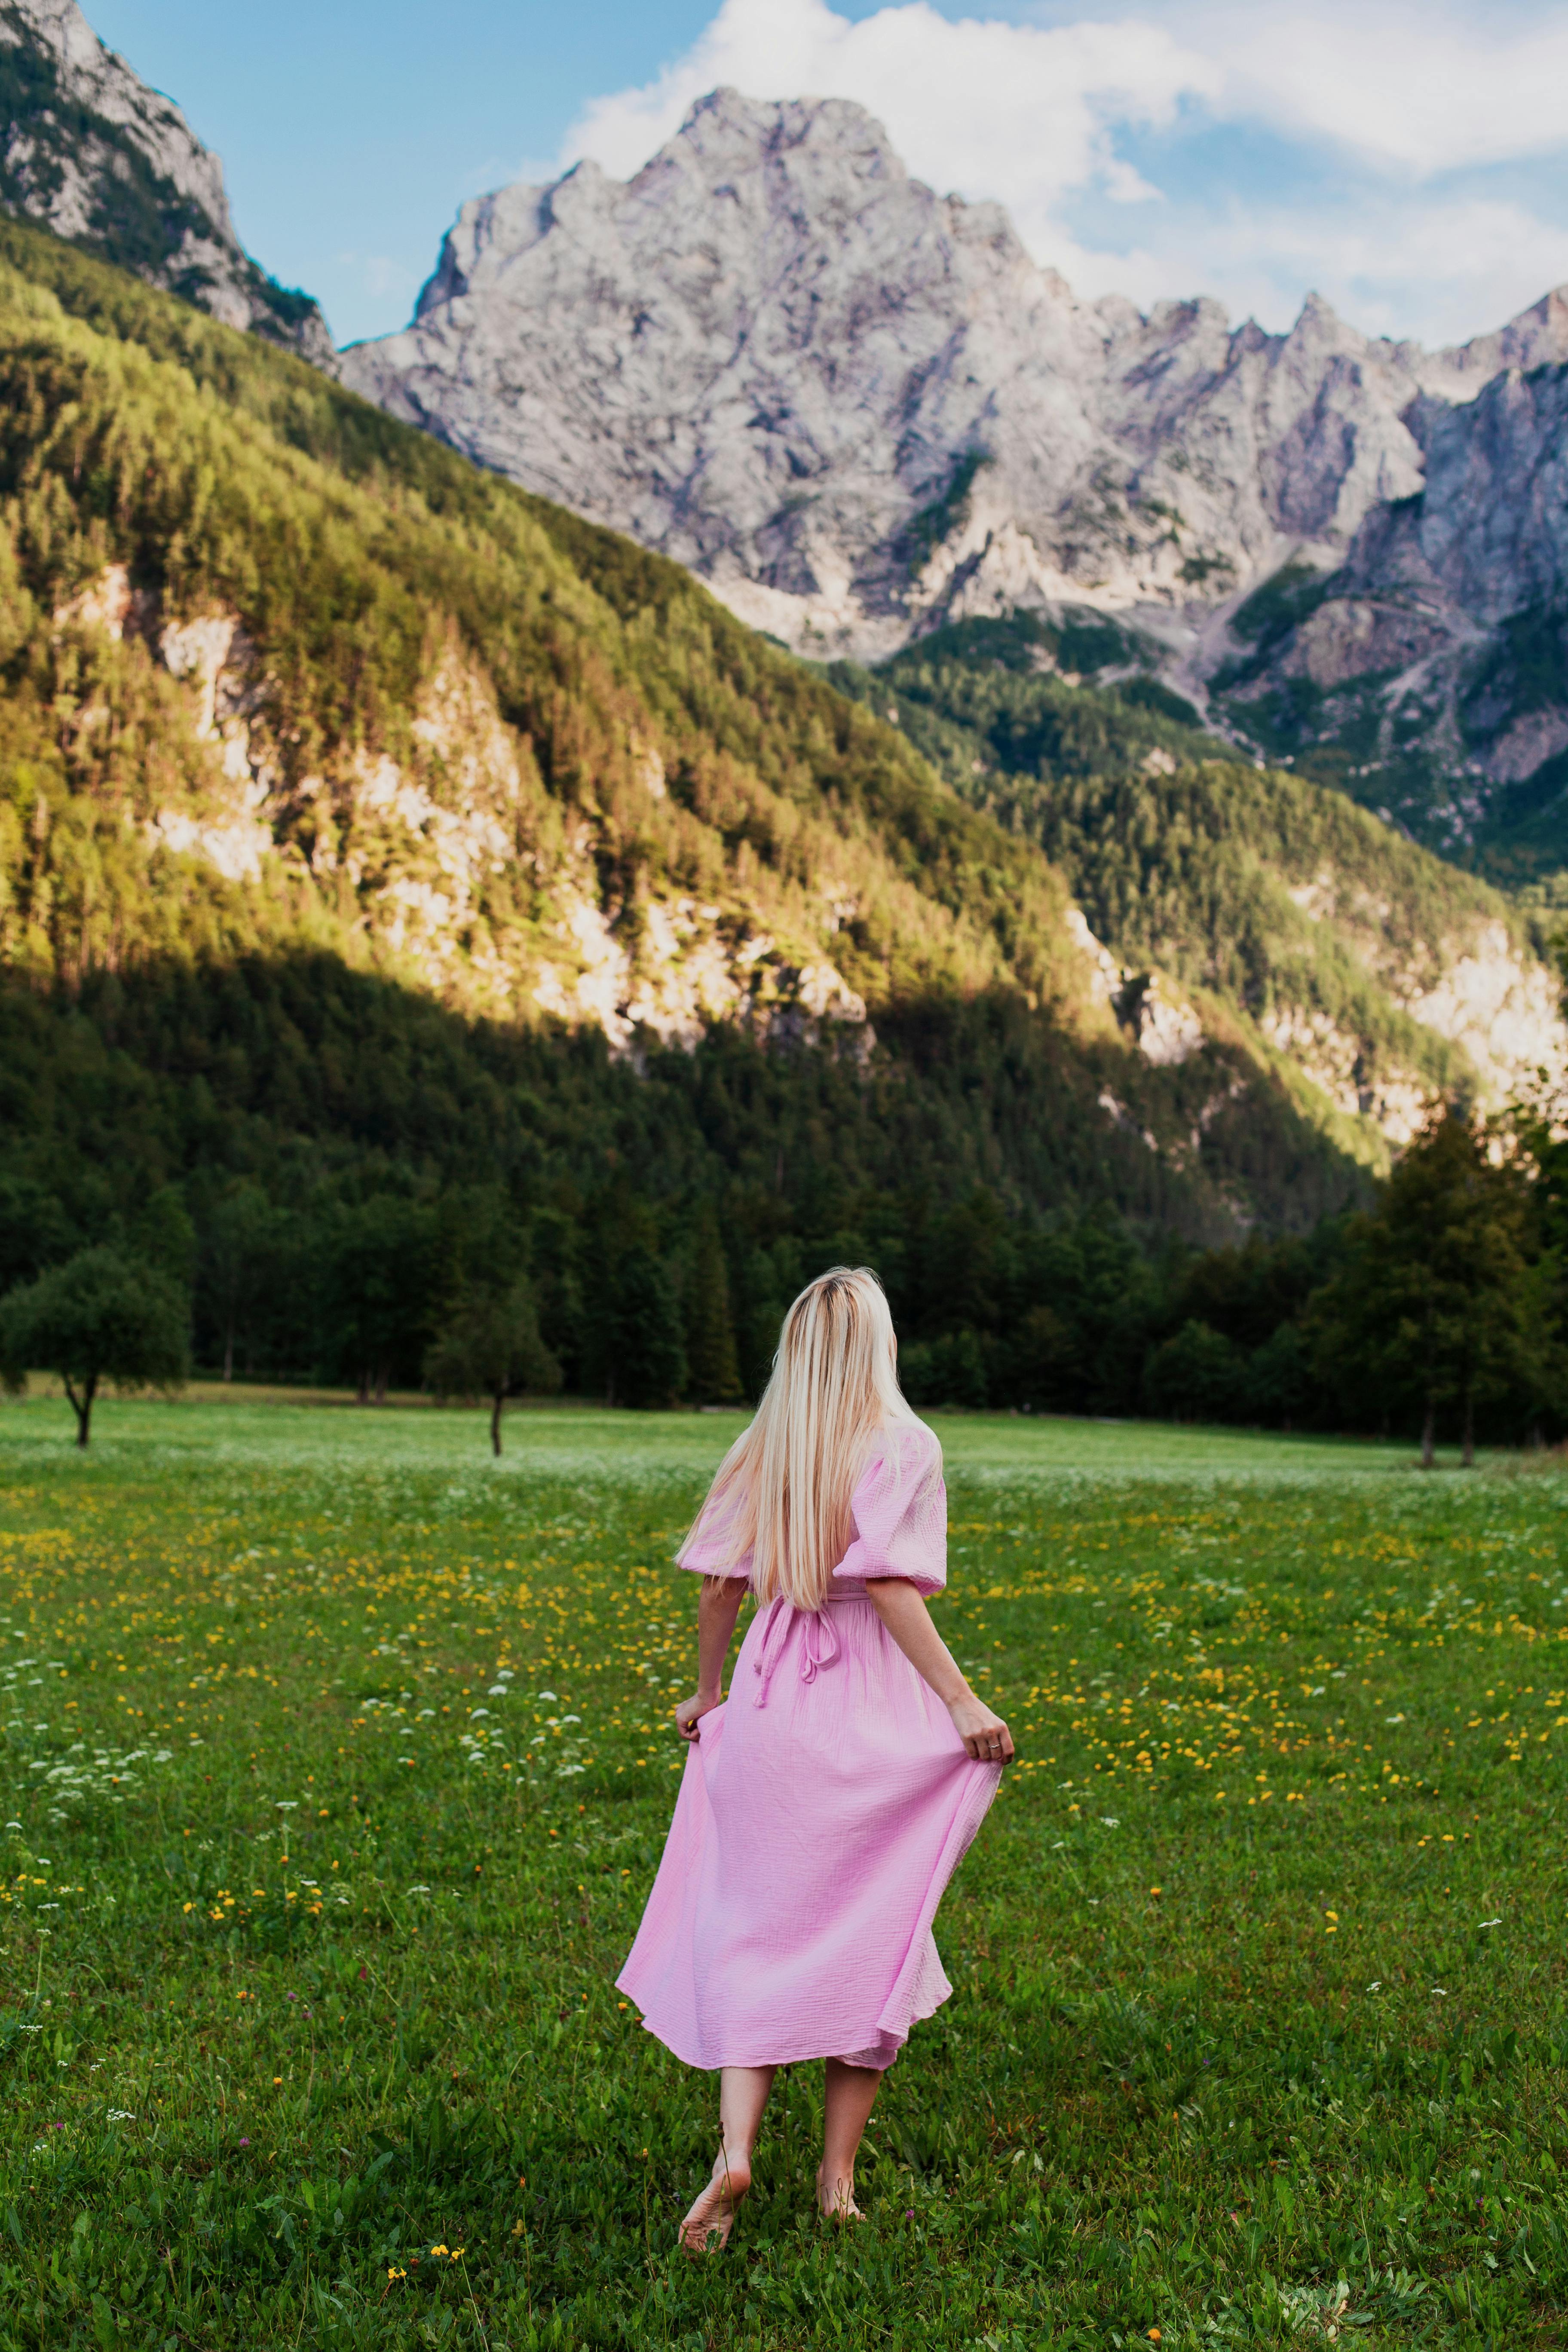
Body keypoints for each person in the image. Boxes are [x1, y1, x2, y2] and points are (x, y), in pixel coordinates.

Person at [616, 1266, 1014, 2253]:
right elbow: (885, 1582)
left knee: (750, 1926)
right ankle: (836, 2180)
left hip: (767, 1700)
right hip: (868, 1707)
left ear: (795, 1348)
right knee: (875, 1934)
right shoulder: (903, 1442)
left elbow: (718, 1588)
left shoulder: (766, 1444)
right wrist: (961, 1700)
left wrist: (707, 1697)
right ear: (878, 1344)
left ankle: (736, 2152)